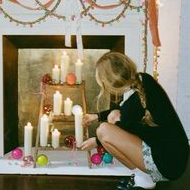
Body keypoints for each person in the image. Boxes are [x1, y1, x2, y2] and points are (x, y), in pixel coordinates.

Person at [81, 51, 189, 190]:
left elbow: (121, 122)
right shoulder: (144, 80)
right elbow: (124, 112)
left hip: (167, 166)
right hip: (177, 156)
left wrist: (96, 141)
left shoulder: (130, 106)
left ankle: (144, 179)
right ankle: (144, 177)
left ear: (107, 82)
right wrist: (97, 116)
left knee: (103, 130)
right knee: (114, 115)